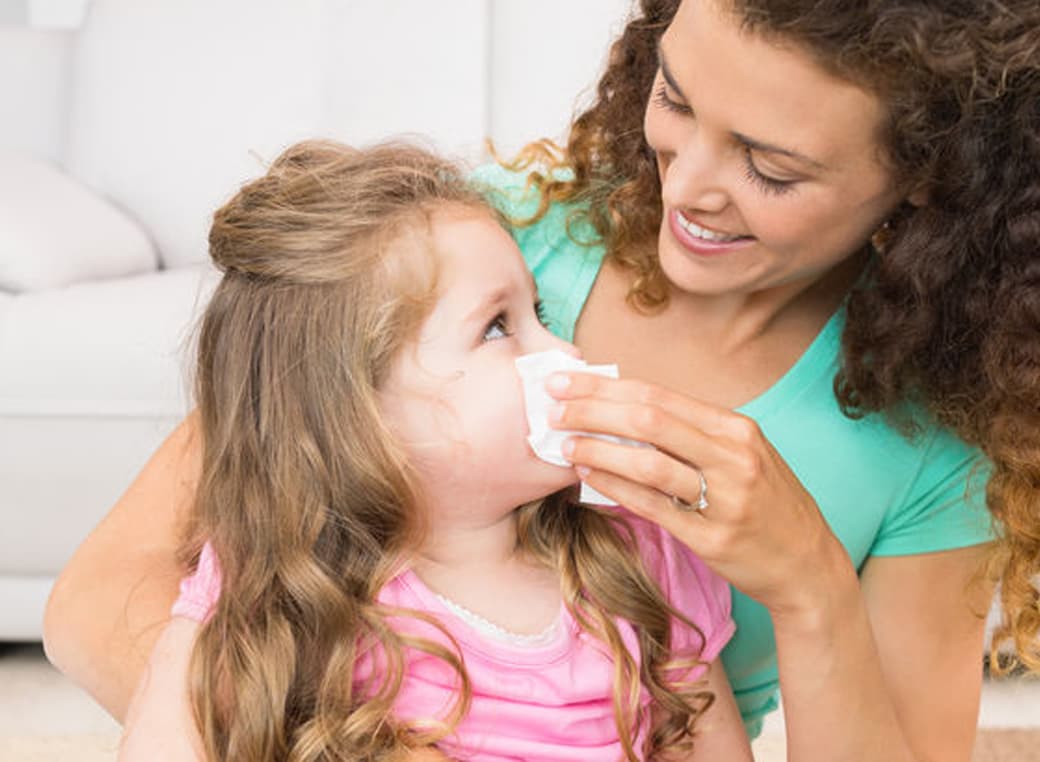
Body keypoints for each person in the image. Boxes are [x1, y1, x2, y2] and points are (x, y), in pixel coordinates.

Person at [44, 0, 1040, 760]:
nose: (683, 186)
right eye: (675, 98)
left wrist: (808, 586)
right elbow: (100, 604)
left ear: (927, 176)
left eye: (770, 168)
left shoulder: (927, 447)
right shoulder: (462, 246)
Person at [112, 138, 752, 761]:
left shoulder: (641, 551)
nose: (568, 354)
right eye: (498, 327)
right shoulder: (281, 591)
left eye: (543, 315)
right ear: (356, 417)